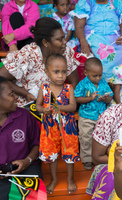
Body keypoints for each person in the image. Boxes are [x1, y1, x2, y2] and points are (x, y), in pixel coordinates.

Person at [0, 17, 79, 107]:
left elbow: (75, 82)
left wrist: (62, 101)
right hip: (27, 106)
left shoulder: (65, 53)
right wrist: (26, 94)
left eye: (64, 38)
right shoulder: (28, 54)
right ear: (45, 42)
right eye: (59, 39)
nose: (65, 42)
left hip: (56, 106)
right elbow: (1, 78)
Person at [36, 53, 79, 194]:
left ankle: (70, 178)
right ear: (46, 71)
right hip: (50, 128)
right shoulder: (44, 89)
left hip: (68, 128)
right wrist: (44, 110)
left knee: (69, 153)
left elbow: (73, 107)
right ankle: (54, 179)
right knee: (52, 155)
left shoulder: (68, 89)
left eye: (63, 71)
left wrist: (57, 108)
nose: (61, 75)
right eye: (56, 72)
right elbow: (38, 107)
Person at [0, 76, 42, 200]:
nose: (16, 97)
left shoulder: (24, 116)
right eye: (11, 94)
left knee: (28, 194)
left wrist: (27, 161)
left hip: (26, 170)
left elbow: (37, 145)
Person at [73, 0, 122, 80]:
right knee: (104, 57)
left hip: (116, 38)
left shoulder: (117, 2)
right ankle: (107, 85)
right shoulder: (85, 3)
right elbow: (79, 27)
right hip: (94, 37)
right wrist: (83, 42)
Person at [75, 57, 113, 170]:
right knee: (85, 137)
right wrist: (89, 98)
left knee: (101, 137)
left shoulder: (103, 83)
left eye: (100, 75)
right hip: (86, 116)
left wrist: (106, 98)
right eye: (94, 76)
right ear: (86, 72)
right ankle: (87, 158)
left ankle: (100, 157)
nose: (98, 78)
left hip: (101, 115)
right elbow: (77, 98)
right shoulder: (82, 84)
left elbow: (110, 97)